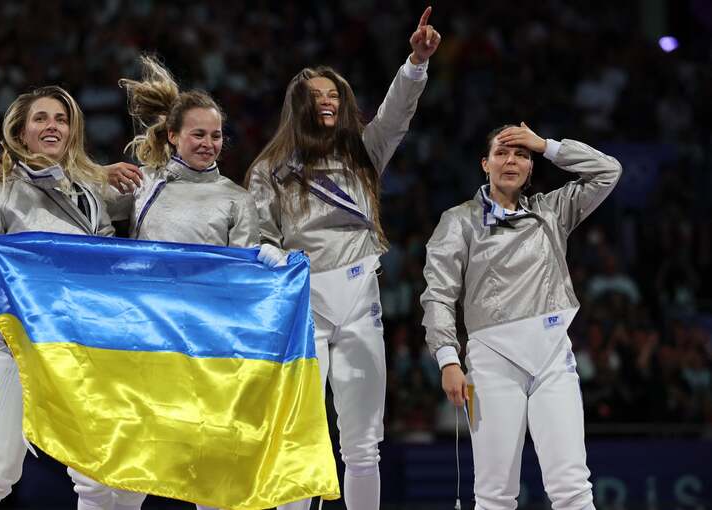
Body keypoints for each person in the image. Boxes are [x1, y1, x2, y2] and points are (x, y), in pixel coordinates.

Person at [244, 6, 439, 510]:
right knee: (300, 433)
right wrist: (269, 257)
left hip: (359, 299)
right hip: (302, 301)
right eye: (317, 97)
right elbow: (256, 234)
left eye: (333, 95)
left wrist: (414, 64)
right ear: (299, 105)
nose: (327, 102)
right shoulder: (271, 167)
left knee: (362, 443)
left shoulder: (363, 154)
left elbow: (396, 115)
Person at [83, 54, 262, 510]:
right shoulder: (144, 184)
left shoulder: (237, 200)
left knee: (212, 471)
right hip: (148, 343)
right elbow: (79, 209)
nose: (208, 143)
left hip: (209, 347)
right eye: (198, 134)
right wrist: (97, 174)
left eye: (216, 135)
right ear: (173, 136)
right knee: (134, 468)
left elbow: (242, 281)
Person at [420, 123, 622, 510]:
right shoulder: (458, 221)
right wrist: (447, 359)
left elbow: (608, 171)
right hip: (493, 360)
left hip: (552, 357)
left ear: (531, 167)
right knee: (496, 494)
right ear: (485, 163)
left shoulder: (552, 211)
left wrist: (546, 145)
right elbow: (438, 295)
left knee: (573, 488)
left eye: (521, 154)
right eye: (502, 152)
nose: (511, 160)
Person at [0, 85, 117, 510]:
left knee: (96, 475)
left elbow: (110, 260)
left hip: (78, 347)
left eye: (60, 118)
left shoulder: (91, 196)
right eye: (41, 118)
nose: (52, 126)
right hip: (17, 347)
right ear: (21, 132)